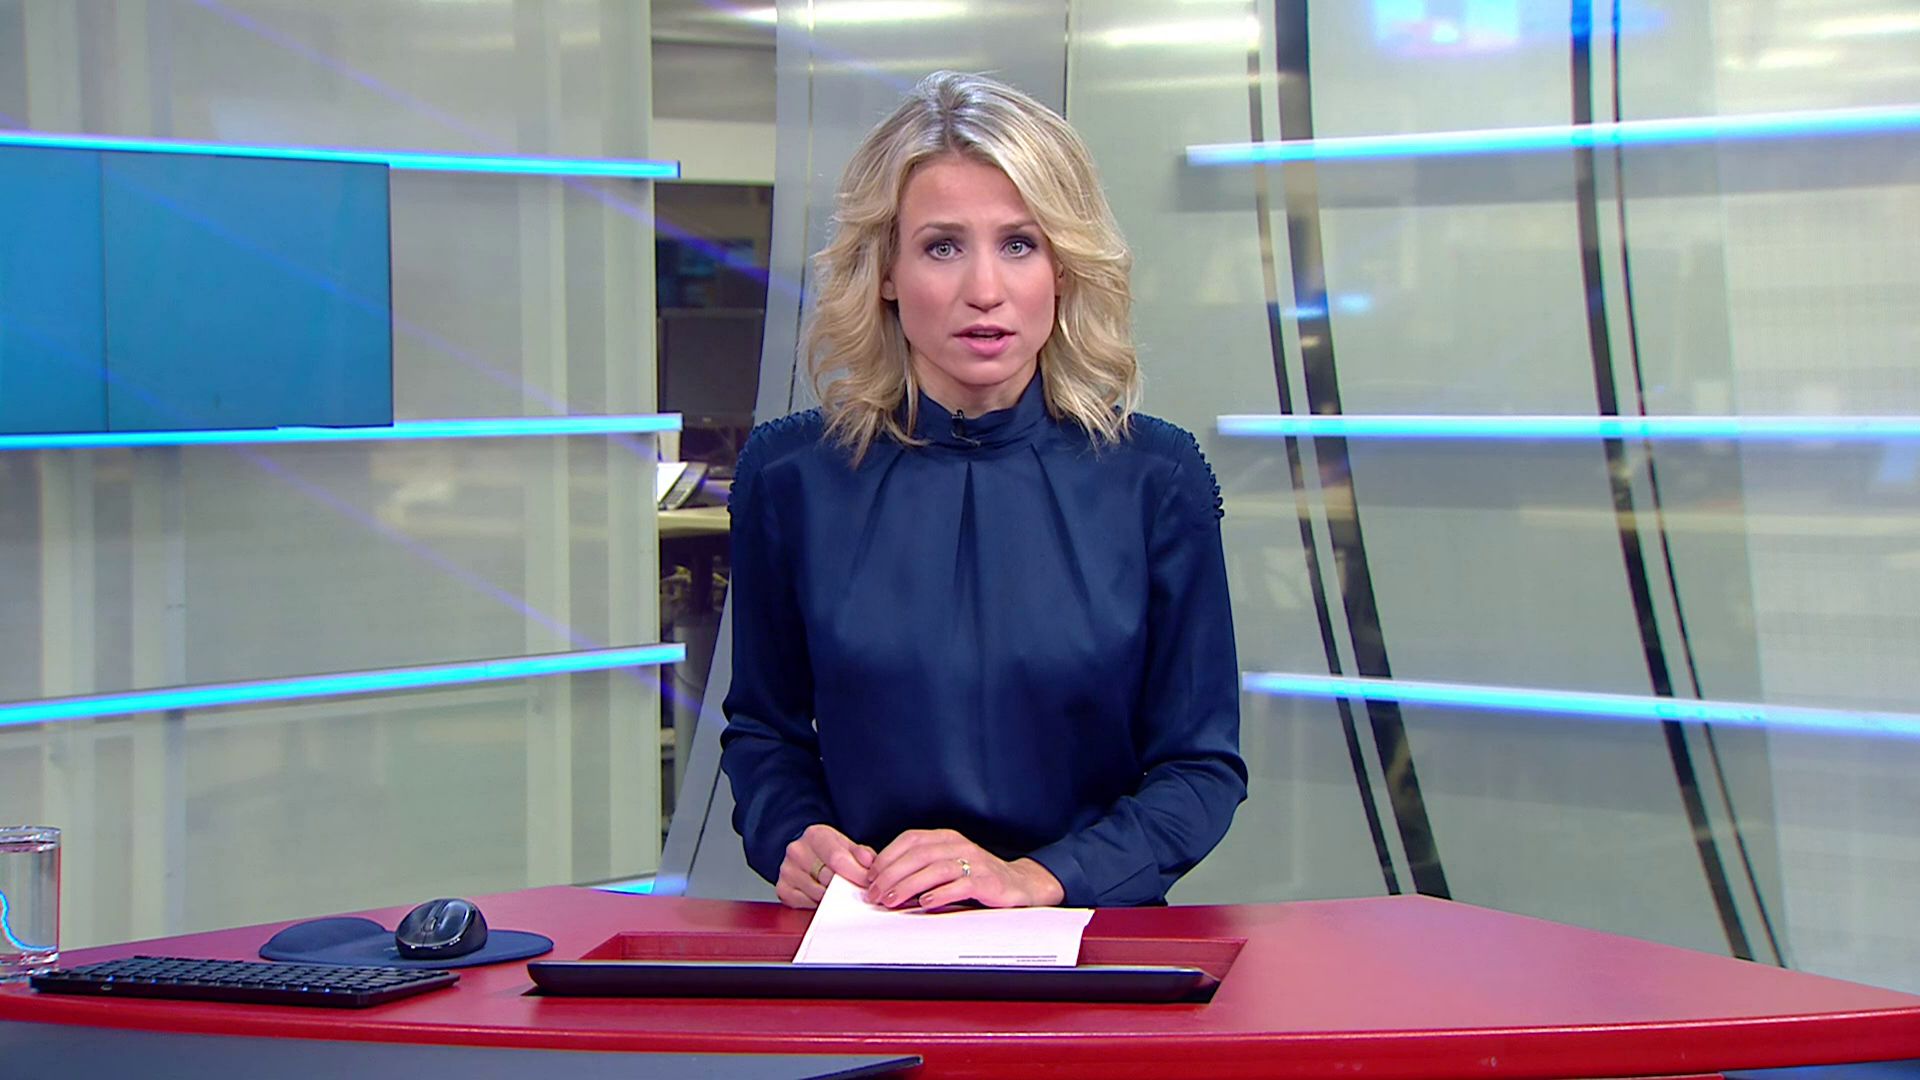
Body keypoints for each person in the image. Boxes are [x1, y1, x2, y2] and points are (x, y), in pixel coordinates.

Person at [719, 71, 1245, 911]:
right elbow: (764, 732)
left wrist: (1039, 878)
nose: (985, 291)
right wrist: (794, 834)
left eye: (1020, 244)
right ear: (886, 271)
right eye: (942, 247)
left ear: (1063, 268)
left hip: (1085, 938)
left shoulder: (1157, 478)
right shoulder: (790, 479)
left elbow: (1200, 768)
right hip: (869, 932)